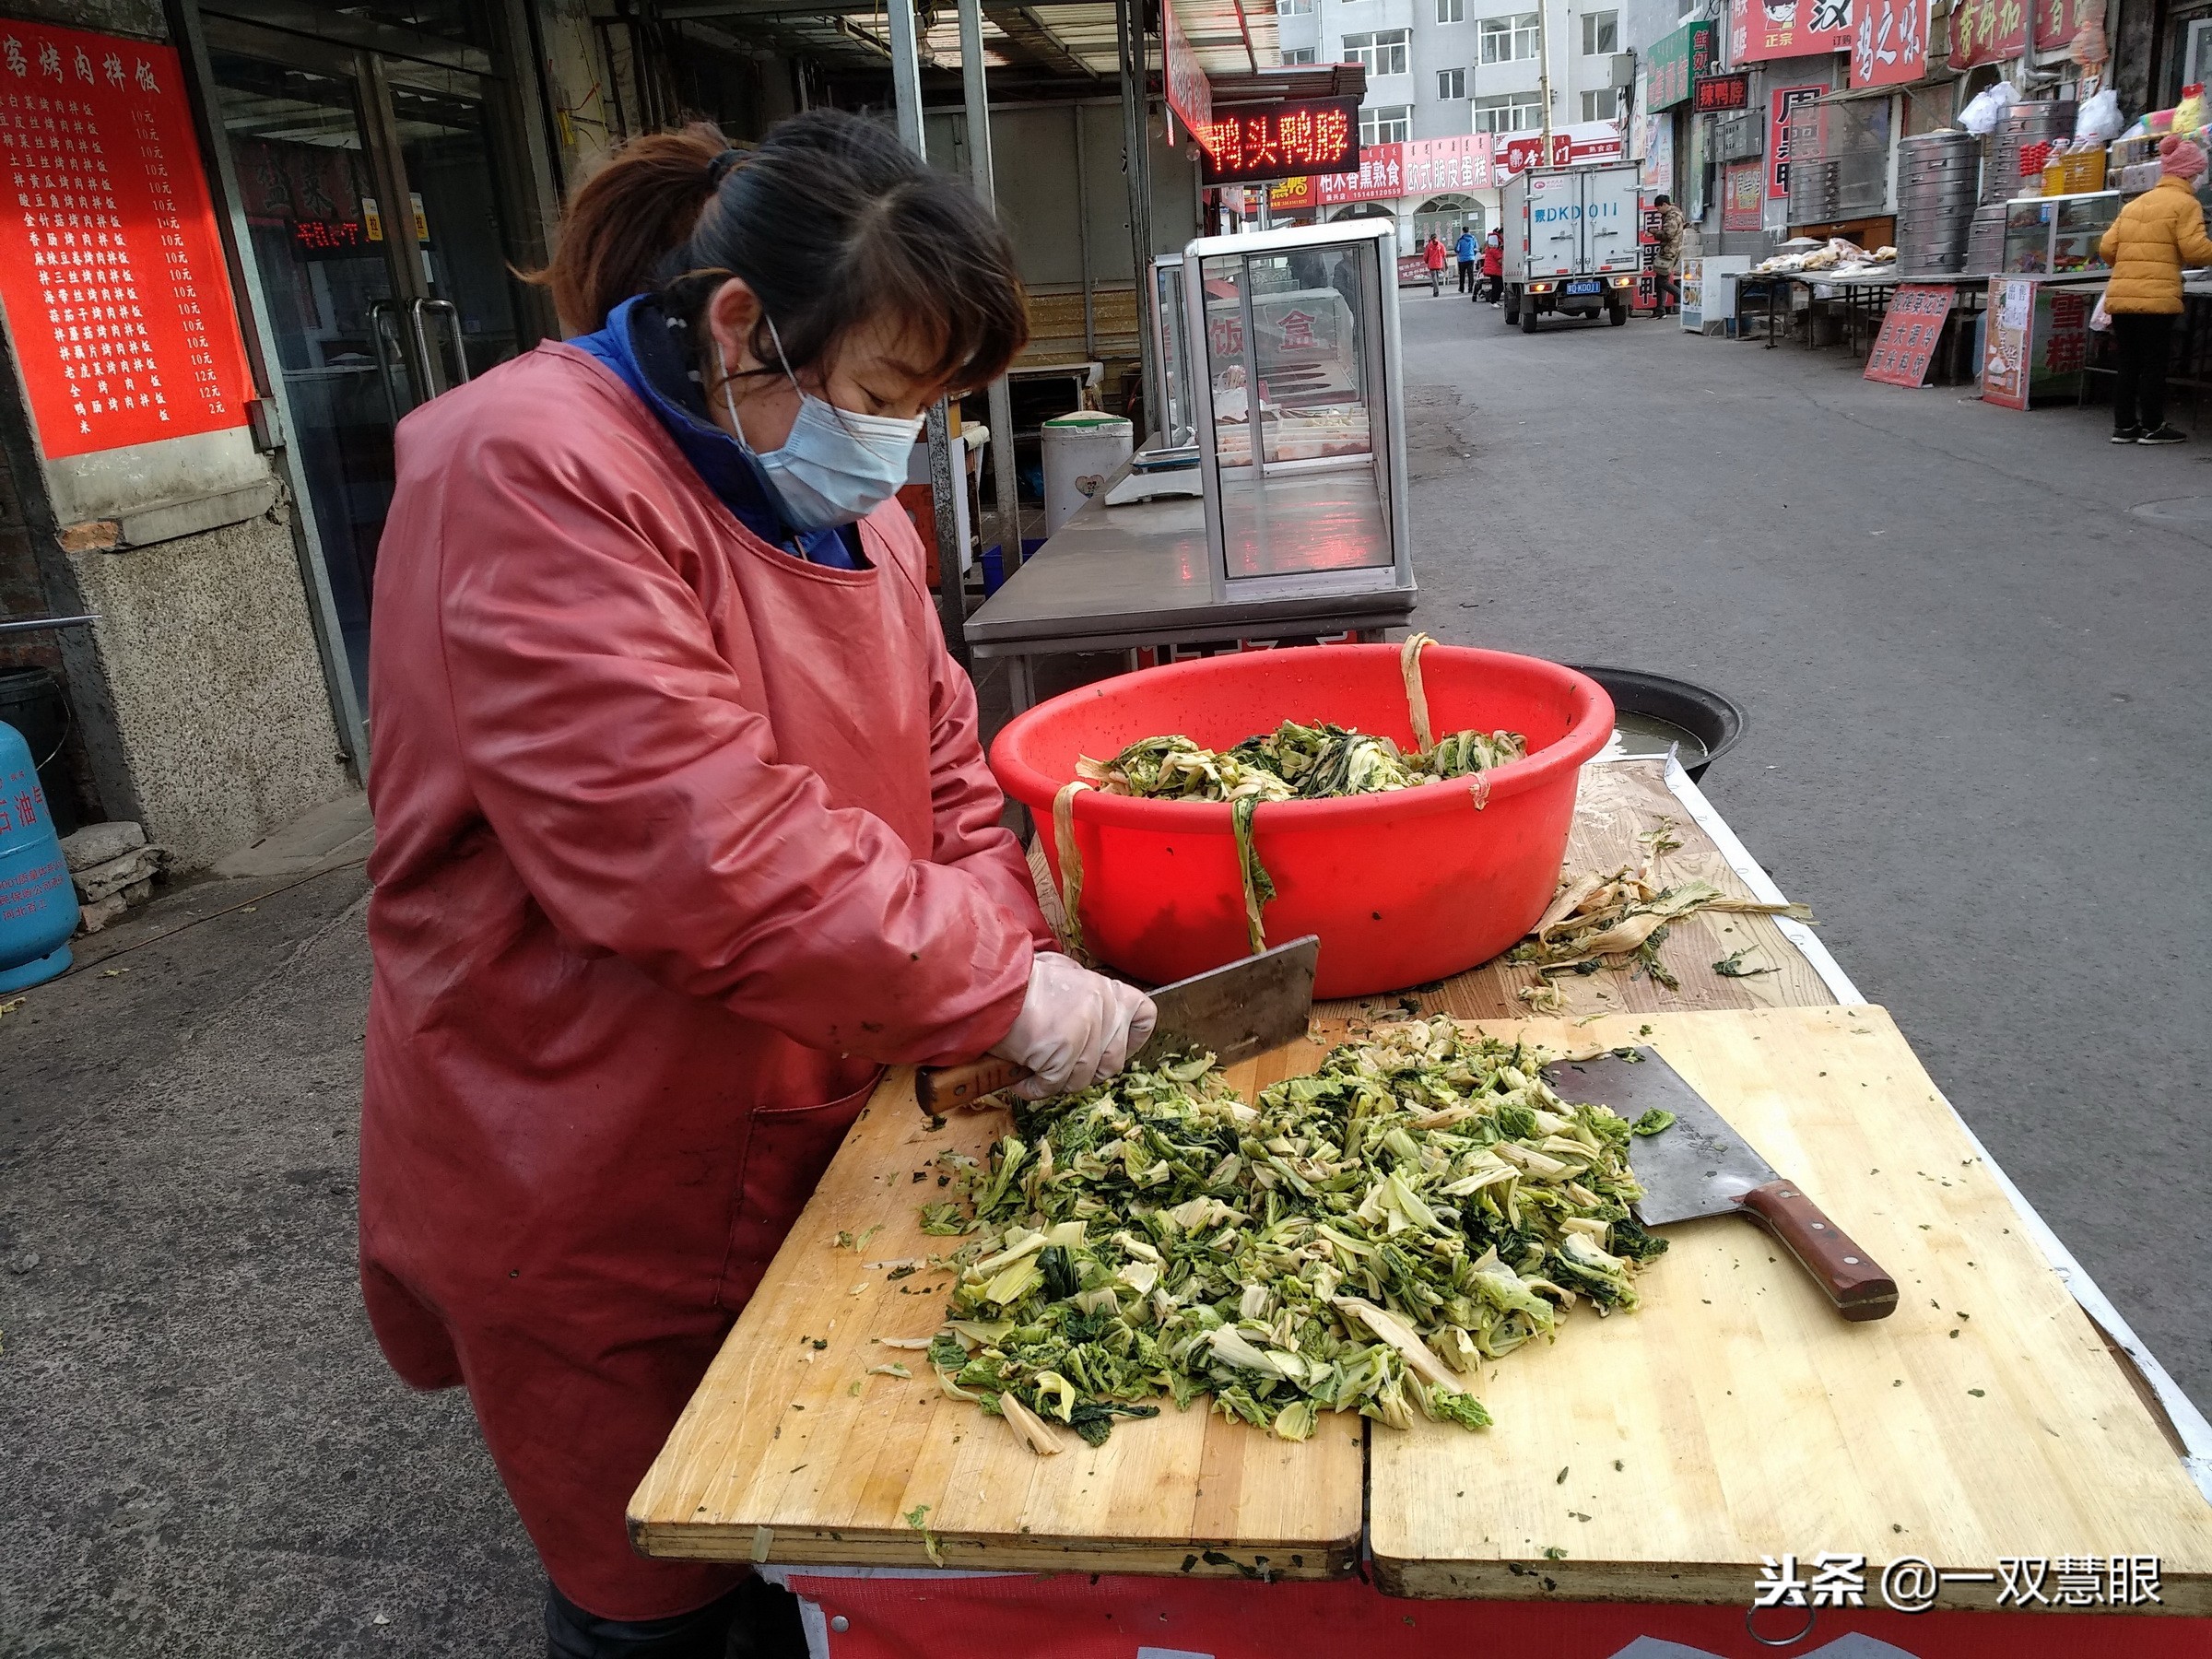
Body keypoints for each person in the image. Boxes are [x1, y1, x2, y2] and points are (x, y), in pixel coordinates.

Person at [359, 112, 1157, 1658]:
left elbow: (945, 779)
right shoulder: (527, 465)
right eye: (877, 395)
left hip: (817, 1108)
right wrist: (998, 991)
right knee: (661, 1594)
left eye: (927, 410)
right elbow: (691, 844)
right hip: (585, 1153)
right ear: (739, 328)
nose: (897, 444)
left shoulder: (854, 515)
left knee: (845, 1543)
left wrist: (1002, 965)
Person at [2097, 134, 2212, 443]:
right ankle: (2153, 426)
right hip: (2156, 300)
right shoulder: (2186, 203)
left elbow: (2107, 248)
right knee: (2153, 364)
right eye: (2199, 174)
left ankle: (2124, 427)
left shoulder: (2137, 204)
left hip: (2121, 298)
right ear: (2189, 173)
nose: (2200, 179)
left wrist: (2133, 262)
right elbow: (2196, 251)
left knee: (2129, 363)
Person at [1652, 194, 1687, 316]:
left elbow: (1668, 234)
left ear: (1665, 205)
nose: (1657, 211)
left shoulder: (1672, 216)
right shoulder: (1675, 213)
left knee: (1662, 281)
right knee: (1660, 279)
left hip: (1669, 252)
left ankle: (1684, 297)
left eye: (1658, 208)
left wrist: (1654, 233)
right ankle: (1660, 310)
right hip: (1670, 250)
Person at [1481, 228, 1505, 304]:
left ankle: (1495, 301)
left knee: (1497, 285)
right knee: (1498, 285)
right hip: (1494, 268)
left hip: (1493, 268)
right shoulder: (1495, 242)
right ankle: (1494, 301)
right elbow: (1497, 255)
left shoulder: (1494, 240)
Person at [1423, 232, 1448, 296]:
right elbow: (1444, 254)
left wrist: (1426, 261)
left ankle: (1436, 290)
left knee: (1434, 277)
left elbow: (1426, 255)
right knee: (1436, 277)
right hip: (1439, 263)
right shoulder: (1441, 245)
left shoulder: (1428, 246)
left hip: (1431, 263)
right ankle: (1435, 290)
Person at [1455, 226, 1477, 294]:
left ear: (1463, 231)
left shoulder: (1460, 239)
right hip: (1471, 258)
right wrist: (1473, 254)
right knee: (1470, 274)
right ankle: (1470, 289)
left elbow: (1457, 249)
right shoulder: (1473, 239)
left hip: (1462, 259)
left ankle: (1461, 289)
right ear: (1469, 231)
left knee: (1462, 274)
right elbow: (1476, 248)